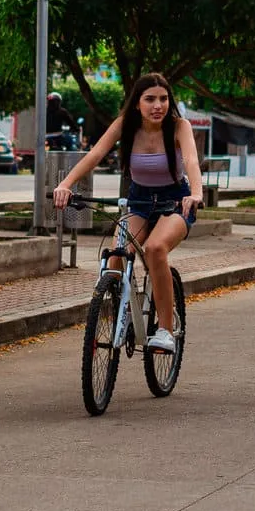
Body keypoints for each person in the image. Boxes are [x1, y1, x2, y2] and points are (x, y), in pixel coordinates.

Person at [52, 73, 204, 354]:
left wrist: (196, 193)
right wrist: (65, 184)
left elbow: (191, 161)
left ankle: (165, 331)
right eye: (150, 99)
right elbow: (94, 155)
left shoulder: (178, 126)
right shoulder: (126, 125)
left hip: (175, 202)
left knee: (156, 249)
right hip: (140, 202)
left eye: (163, 99)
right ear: (137, 103)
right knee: (115, 258)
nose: (157, 105)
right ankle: (119, 308)